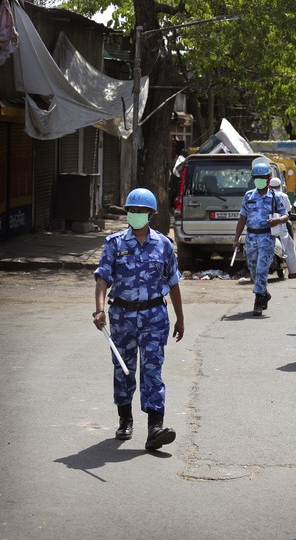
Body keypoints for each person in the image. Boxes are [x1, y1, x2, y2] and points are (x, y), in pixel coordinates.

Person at [92, 188, 184, 451]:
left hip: (155, 316)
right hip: (122, 317)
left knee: (153, 369)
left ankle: (155, 427)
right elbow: (102, 279)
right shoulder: (115, 244)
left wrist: (180, 318)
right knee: (124, 369)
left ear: (151, 215)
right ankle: (125, 418)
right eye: (132, 211)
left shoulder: (164, 245)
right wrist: (100, 310)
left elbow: (174, 283)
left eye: (141, 211)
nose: (136, 215)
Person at [234, 163, 289, 316]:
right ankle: (264, 292)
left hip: (267, 237)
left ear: (268, 178)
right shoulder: (248, 196)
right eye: (256, 178)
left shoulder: (276, 197)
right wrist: (236, 238)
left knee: (261, 269)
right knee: (252, 267)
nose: (258, 181)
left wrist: (278, 221)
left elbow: (285, 215)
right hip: (251, 237)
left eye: (262, 178)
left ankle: (258, 301)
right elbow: (242, 217)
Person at [269, 177, 296, 279]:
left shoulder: (263, 195)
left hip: (267, 225)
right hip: (280, 225)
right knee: (289, 249)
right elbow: (288, 209)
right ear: (280, 186)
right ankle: (292, 272)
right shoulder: (283, 195)